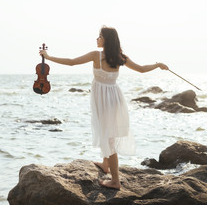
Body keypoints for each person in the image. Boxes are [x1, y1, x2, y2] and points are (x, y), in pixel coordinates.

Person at [39, 26, 169, 190]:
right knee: (106, 131)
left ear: (107, 39)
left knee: (109, 137)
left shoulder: (97, 55)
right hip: (113, 97)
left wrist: (48, 57)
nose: (97, 39)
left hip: (105, 98)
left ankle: (115, 181)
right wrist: (158, 65)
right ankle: (105, 164)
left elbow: (72, 62)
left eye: (100, 36)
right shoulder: (120, 57)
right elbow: (142, 69)